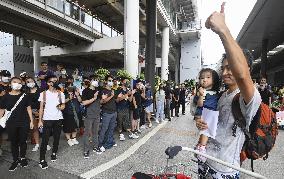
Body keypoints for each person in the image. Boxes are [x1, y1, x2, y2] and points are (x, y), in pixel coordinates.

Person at [196, 3, 261, 178]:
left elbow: (241, 75)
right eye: (223, 68)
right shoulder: (223, 94)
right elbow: (211, 124)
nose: (225, 72)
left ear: (246, 68)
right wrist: (201, 124)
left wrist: (223, 30)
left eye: (230, 67)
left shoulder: (249, 97)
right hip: (206, 162)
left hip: (225, 170)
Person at [0, 77, 34, 171]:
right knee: (13, 142)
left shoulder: (25, 96)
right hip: (11, 123)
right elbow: (2, 110)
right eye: (15, 82)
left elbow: (29, 109)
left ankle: (22, 157)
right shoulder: (5, 97)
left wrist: (31, 121)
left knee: (23, 141)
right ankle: (15, 160)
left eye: (19, 83)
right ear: (10, 84)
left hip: (24, 122)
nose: (17, 84)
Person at [38, 75, 65, 169]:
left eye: (56, 80)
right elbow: (41, 108)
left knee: (57, 138)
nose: (55, 82)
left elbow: (63, 106)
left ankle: (54, 153)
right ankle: (42, 159)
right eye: (53, 81)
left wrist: (61, 107)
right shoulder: (43, 94)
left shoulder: (60, 93)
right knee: (45, 140)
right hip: (47, 119)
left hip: (58, 119)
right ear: (49, 83)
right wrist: (40, 121)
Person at [193, 68, 220, 162]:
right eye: (202, 78)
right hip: (204, 112)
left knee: (204, 131)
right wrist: (201, 96)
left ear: (214, 80)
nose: (204, 80)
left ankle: (199, 145)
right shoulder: (201, 91)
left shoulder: (216, 92)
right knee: (205, 130)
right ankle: (202, 148)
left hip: (210, 112)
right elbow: (199, 104)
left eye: (208, 77)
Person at [81, 78, 102, 158]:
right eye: (94, 79)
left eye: (96, 80)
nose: (96, 81)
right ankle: (86, 150)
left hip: (97, 114)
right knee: (87, 133)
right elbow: (84, 103)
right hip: (89, 115)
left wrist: (102, 99)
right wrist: (94, 98)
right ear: (90, 82)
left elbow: (100, 102)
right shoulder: (85, 91)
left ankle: (95, 147)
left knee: (96, 132)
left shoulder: (98, 90)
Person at [99, 76, 118, 150]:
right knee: (104, 128)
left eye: (112, 80)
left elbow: (116, 100)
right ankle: (100, 144)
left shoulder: (113, 90)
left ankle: (110, 141)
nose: (111, 82)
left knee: (111, 128)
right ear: (106, 81)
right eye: (109, 80)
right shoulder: (103, 91)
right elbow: (103, 101)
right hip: (106, 113)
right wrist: (111, 96)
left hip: (114, 112)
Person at [25, 77, 43, 152]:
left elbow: (44, 102)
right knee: (35, 129)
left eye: (31, 81)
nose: (30, 83)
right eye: (28, 82)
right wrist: (33, 112)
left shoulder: (41, 90)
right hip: (31, 112)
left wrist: (40, 111)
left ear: (34, 81)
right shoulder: (25, 92)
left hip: (42, 111)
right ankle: (37, 144)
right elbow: (26, 105)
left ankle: (46, 143)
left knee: (43, 129)